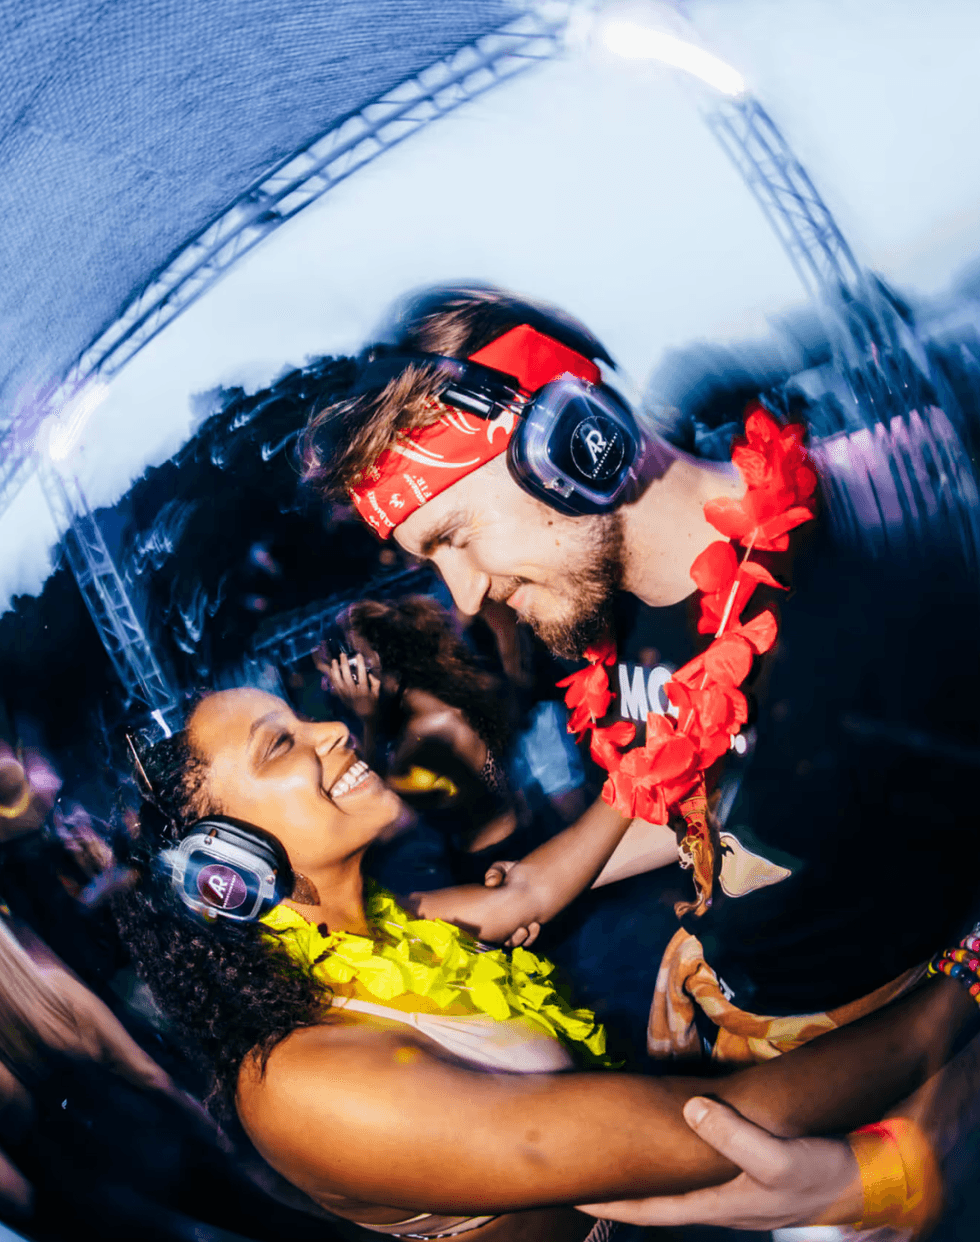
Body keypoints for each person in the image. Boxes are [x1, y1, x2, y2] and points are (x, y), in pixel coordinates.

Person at [302, 284, 980, 1227]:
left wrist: (894, 1166)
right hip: (756, 1035)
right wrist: (542, 889)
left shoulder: (879, 569)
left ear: (573, 443)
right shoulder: (612, 621)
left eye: (454, 534)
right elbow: (722, 780)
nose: (459, 597)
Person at [114, 687, 979, 1240]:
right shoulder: (305, 1086)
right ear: (225, 877)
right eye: (279, 745)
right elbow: (725, 1123)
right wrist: (967, 979)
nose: (334, 729)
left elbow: (527, 895)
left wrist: (662, 745)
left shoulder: (398, 926)